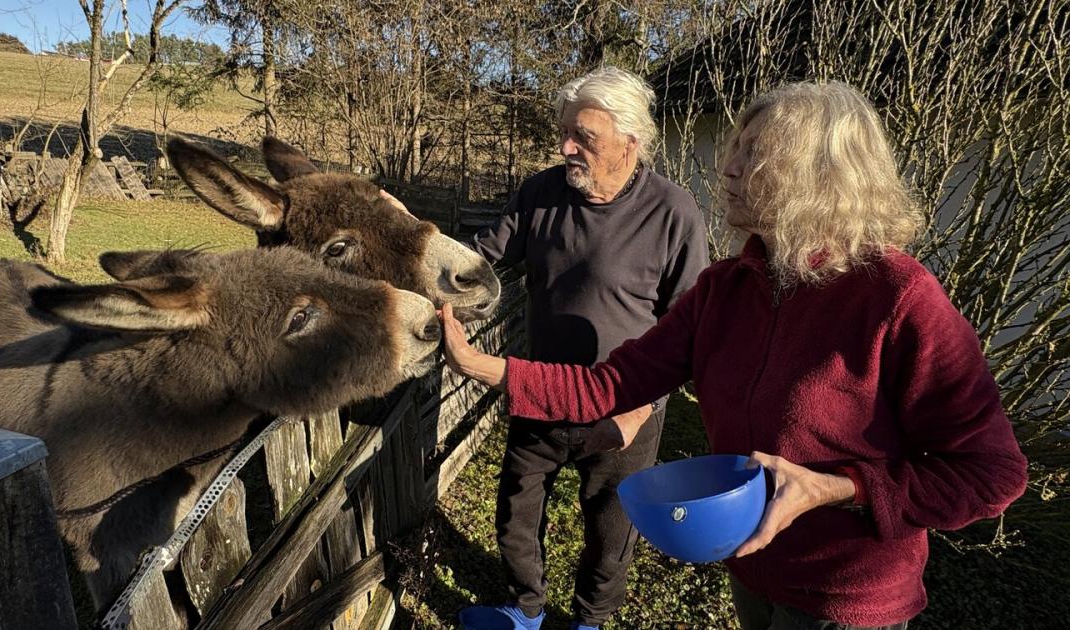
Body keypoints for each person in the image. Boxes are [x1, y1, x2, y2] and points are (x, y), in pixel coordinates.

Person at [440, 81, 1028, 630]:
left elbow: (990, 474)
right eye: (736, 149)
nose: (728, 168)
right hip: (751, 575)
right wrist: (483, 367)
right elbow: (614, 383)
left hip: (845, 602)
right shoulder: (726, 288)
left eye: (755, 154)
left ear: (820, 176)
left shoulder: (897, 297)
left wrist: (836, 488)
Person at [458, 66, 709, 630]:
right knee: (517, 513)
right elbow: (478, 260)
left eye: (585, 138)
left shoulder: (674, 213)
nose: (567, 147)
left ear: (630, 141)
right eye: (566, 132)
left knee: (610, 530)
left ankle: (590, 621)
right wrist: (415, 243)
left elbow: (688, 328)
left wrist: (636, 412)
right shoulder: (542, 193)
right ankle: (524, 609)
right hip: (540, 393)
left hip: (625, 407)